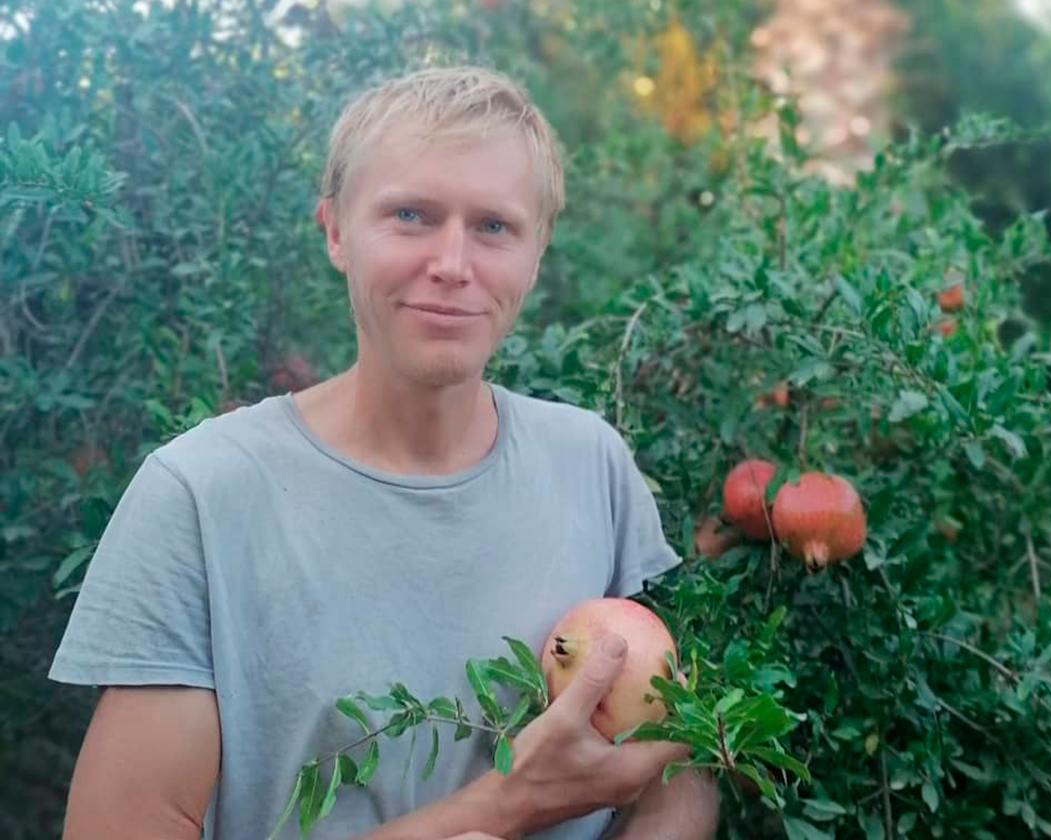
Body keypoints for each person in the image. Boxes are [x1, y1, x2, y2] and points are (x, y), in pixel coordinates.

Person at [48, 66, 720, 840]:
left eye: (494, 226)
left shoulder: (592, 464)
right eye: (411, 215)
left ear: (537, 253)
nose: (452, 263)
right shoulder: (200, 496)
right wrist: (505, 806)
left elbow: (682, 764)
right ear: (336, 230)